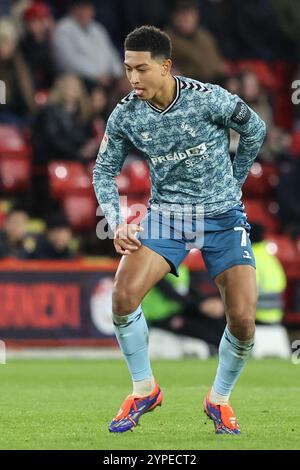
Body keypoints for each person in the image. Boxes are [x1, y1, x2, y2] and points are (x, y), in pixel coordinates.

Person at [93, 26, 266, 435]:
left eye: (141, 69)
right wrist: (116, 223)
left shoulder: (208, 99)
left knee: (242, 320)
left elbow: (255, 129)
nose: (133, 79)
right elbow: (103, 169)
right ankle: (143, 390)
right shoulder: (126, 115)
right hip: (169, 217)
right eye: (127, 69)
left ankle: (219, 400)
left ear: (166, 66)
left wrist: (234, 182)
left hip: (223, 218)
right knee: (122, 297)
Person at [52, 0, 123, 88]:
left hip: (107, 79)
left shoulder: (97, 28)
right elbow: (68, 61)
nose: (86, 12)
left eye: (88, 8)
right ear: (73, 9)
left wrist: (117, 74)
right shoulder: (63, 28)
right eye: (82, 8)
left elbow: (111, 53)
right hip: (82, 80)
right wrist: (96, 75)